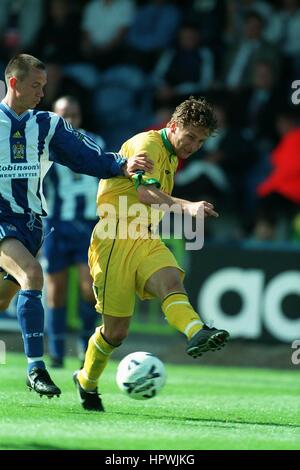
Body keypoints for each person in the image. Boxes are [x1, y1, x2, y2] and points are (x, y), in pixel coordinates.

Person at [0, 54, 153, 399]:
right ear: (14, 83)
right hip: (0, 219)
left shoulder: (47, 124)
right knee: (34, 276)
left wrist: (122, 165)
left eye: (44, 86)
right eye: (36, 86)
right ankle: (36, 369)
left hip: (31, 225)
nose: (42, 92)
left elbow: (87, 157)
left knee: (4, 298)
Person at [73, 96, 230, 412]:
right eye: (190, 137)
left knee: (171, 281)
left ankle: (196, 332)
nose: (193, 146)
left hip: (143, 236)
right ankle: (86, 380)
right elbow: (145, 193)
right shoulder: (147, 145)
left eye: (200, 141)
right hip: (115, 237)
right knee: (115, 333)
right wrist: (188, 207)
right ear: (173, 126)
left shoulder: (170, 154)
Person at [44, 95, 105, 368]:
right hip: (56, 224)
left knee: (87, 289)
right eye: (63, 114)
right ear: (55, 116)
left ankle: (84, 348)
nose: (69, 119)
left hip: (87, 226)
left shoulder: (96, 141)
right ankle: (56, 352)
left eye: (74, 114)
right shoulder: (44, 146)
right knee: (55, 291)